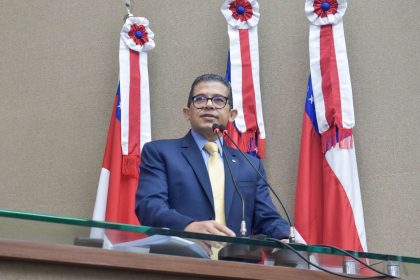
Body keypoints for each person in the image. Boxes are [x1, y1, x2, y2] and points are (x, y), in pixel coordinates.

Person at [135, 74, 289, 239]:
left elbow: (267, 218)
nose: (209, 105)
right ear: (187, 113)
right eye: (200, 99)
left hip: (236, 262)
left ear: (232, 114)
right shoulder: (160, 152)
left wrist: (289, 236)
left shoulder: (250, 165)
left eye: (218, 100)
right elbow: (149, 207)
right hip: (180, 258)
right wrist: (189, 226)